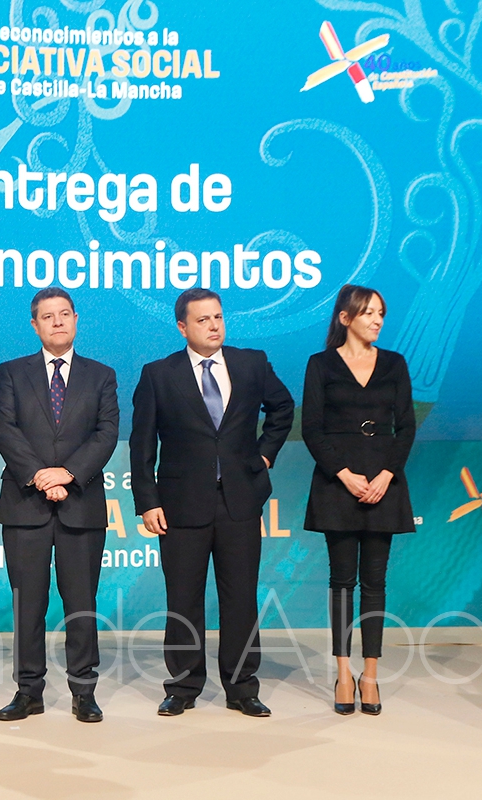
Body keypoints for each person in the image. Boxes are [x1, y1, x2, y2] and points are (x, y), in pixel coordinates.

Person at [130, 288, 294, 717]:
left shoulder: (251, 363)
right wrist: (147, 501)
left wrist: (264, 454)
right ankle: (183, 687)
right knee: (183, 598)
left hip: (239, 500)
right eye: (202, 320)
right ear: (182, 327)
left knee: (240, 598)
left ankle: (242, 688)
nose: (214, 326)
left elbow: (282, 408)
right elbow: (142, 444)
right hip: (180, 504)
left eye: (218, 317)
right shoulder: (158, 374)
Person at [0, 288, 119, 724]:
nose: (58, 321)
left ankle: (84, 691)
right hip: (25, 503)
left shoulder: (101, 375)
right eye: (48, 316)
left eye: (65, 314)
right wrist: (39, 475)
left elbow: (106, 432)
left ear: (76, 319)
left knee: (81, 603)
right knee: (28, 604)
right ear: (35, 325)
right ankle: (28, 691)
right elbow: (5, 428)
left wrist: (67, 473)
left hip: (80, 503)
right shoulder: (12, 372)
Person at [302, 285, 415, 716]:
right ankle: (343, 673)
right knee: (341, 581)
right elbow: (312, 428)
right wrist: (344, 475)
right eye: (368, 312)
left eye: (381, 313)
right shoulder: (321, 364)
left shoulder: (395, 364)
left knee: (375, 582)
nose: (377, 320)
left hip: (385, 483)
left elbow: (406, 426)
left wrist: (386, 474)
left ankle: (370, 675)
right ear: (345, 318)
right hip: (339, 485)